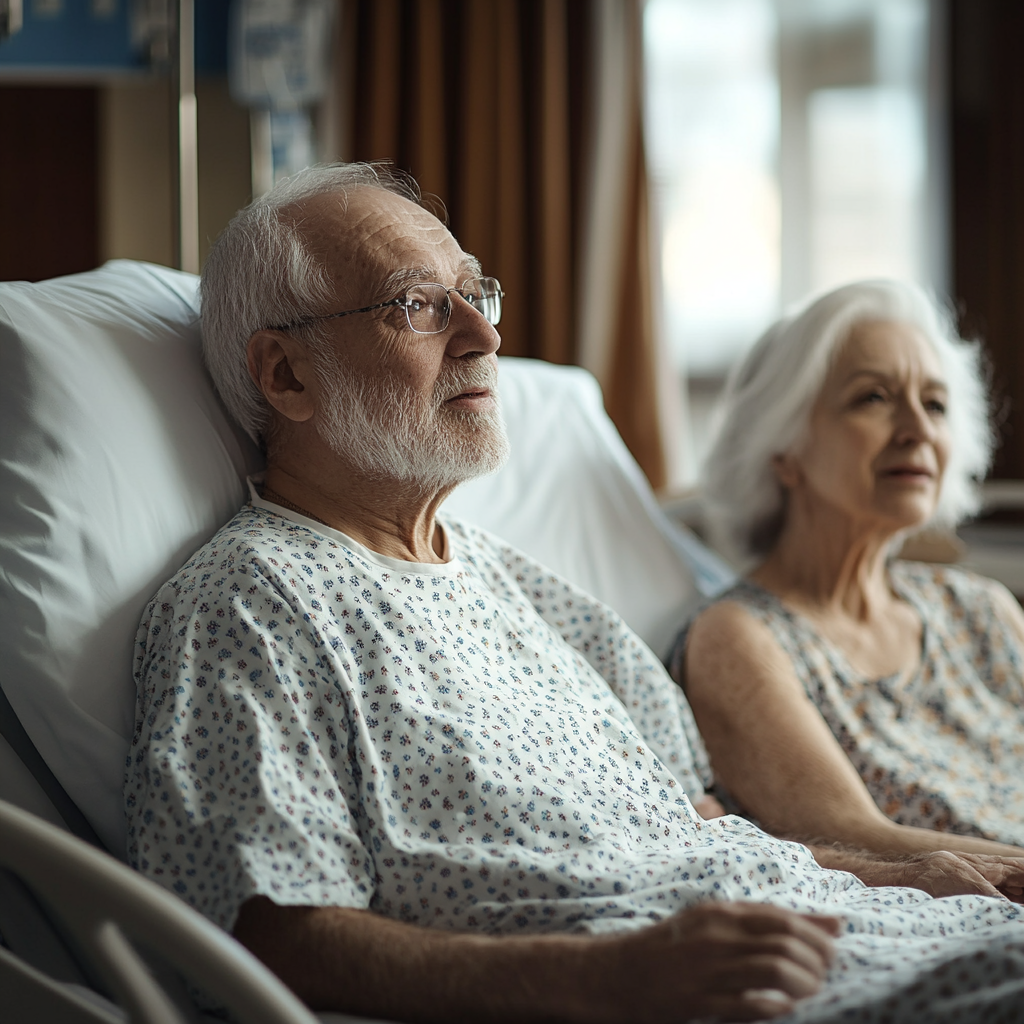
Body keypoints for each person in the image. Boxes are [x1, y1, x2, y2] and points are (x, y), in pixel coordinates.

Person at [126, 165, 1024, 1023]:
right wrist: (609, 980)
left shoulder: (522, 587)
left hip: (858, 930)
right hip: (724, 991)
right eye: (417, 307)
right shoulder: (251, 605)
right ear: (286, 375)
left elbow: (705, 827)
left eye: (476, 297)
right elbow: (270, 936)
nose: (483, 337)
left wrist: (902, 875)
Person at [672, 279, 1024, 865]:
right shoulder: (740, 637)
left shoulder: (982, 609)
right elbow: (849, 834)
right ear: (782, 449)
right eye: (874, 399)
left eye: (935, 405)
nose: (918, 429)